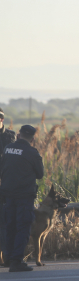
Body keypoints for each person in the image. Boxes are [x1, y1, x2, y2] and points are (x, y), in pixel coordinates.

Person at [0, 125, 44, 272]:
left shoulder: (7, 149)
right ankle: (16, 261)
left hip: (7, 196)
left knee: (9, 226)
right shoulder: (32, 152)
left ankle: (8, 257)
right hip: (24, 196)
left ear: (18, 135)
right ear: (32, 139)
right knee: (23, 227)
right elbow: (40, 174)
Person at [0, 108, 17, 267]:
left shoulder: (9, 136)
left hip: (5, 185)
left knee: (5, 222)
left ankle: (6, 257)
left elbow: (10, 160)